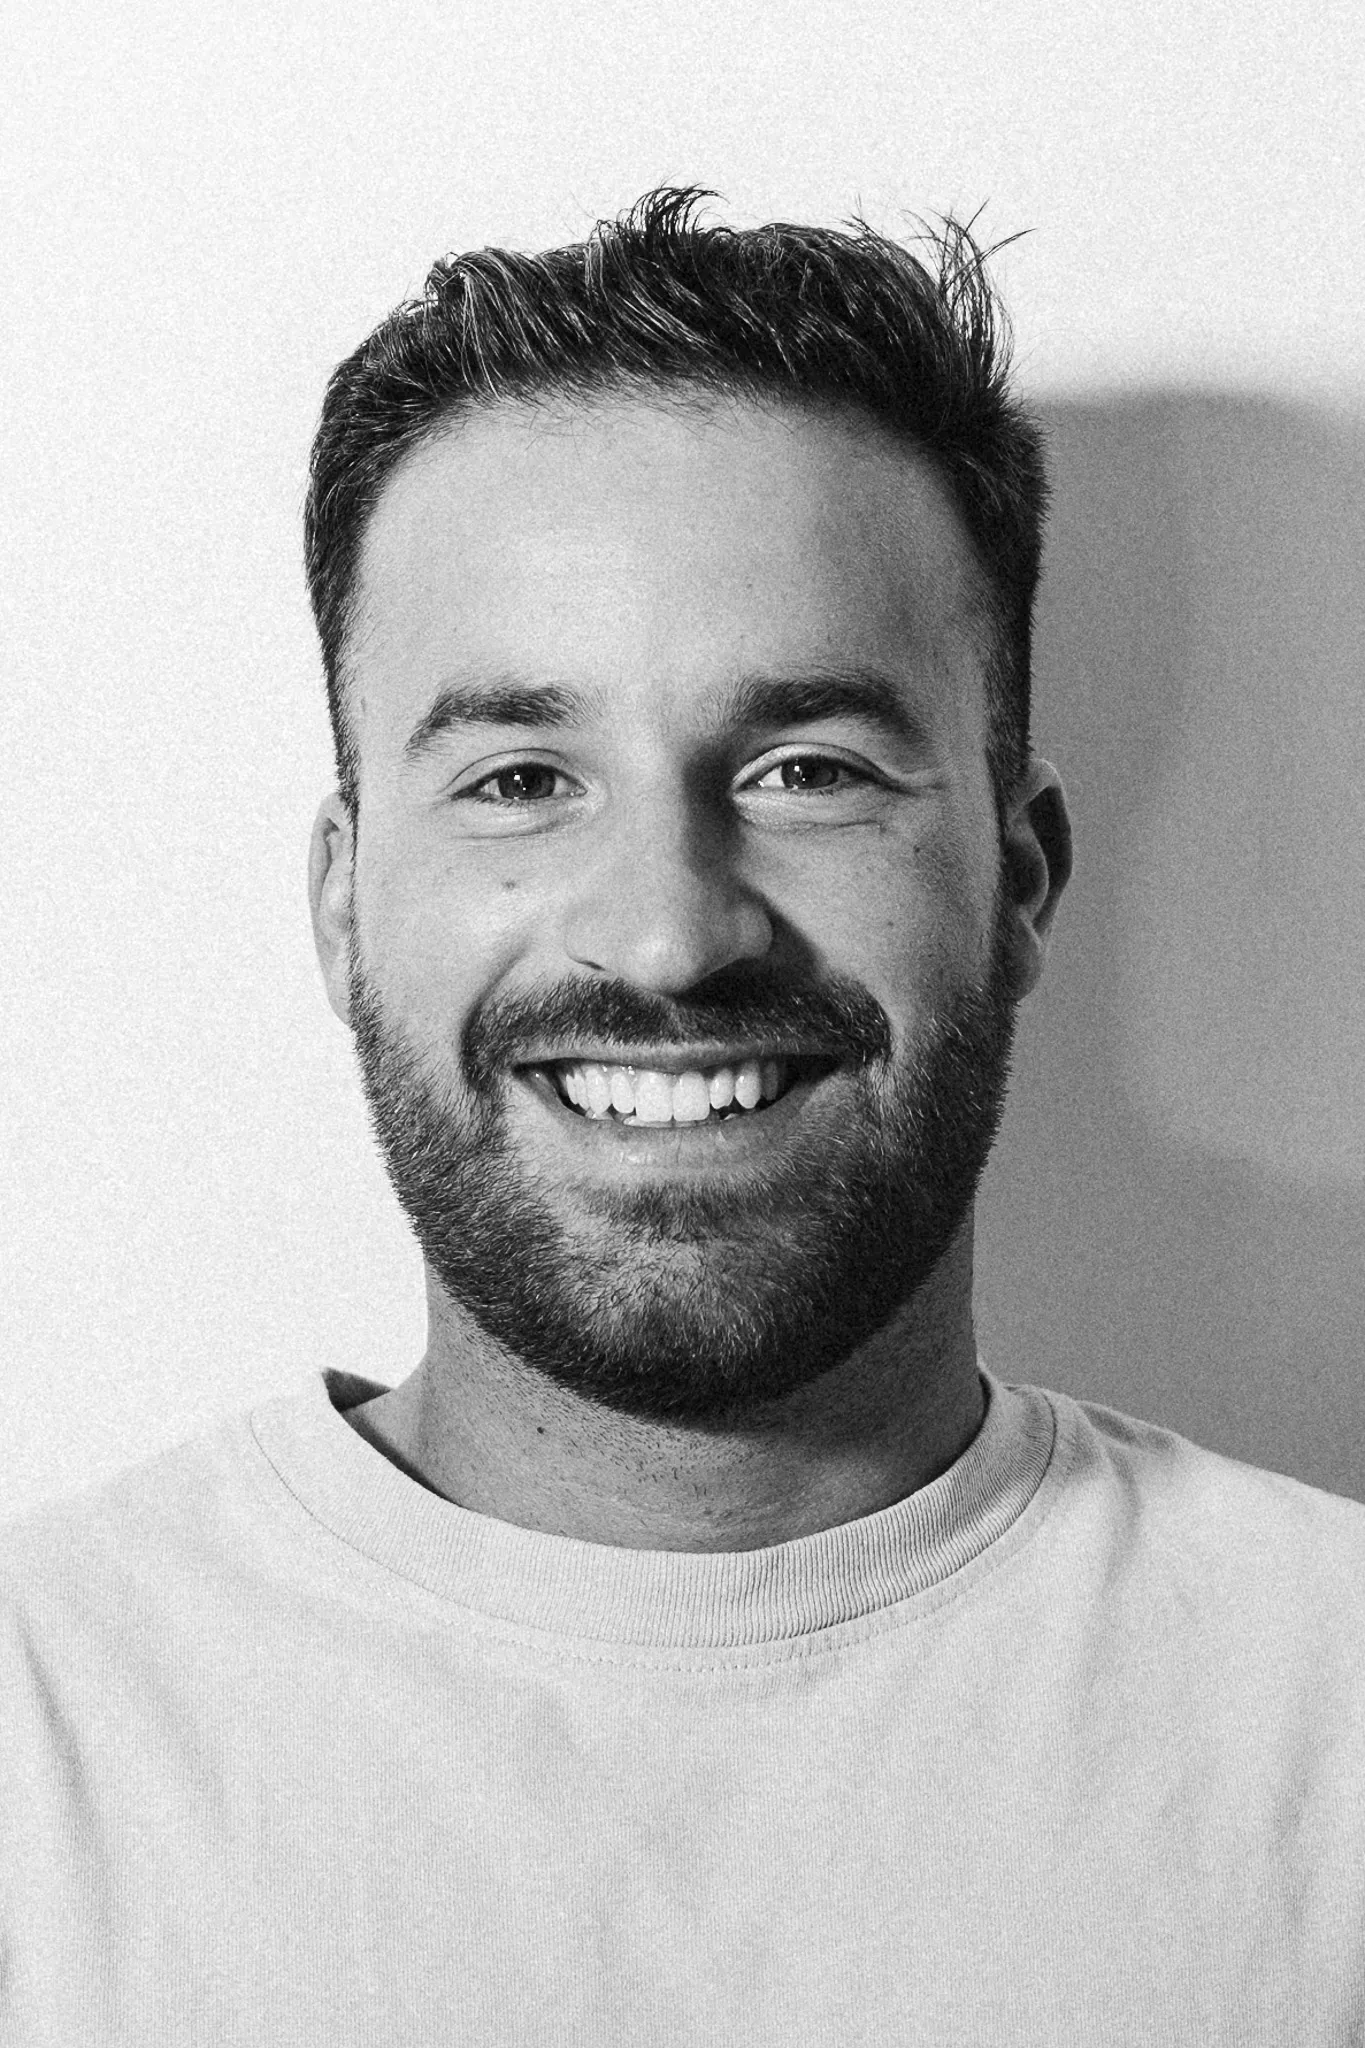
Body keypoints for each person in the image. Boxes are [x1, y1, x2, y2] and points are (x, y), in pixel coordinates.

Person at [3, 188, 1362, 2047]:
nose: (668, 930)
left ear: (1021, 878)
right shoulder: (42, 1733)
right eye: (519, 778)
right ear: (342, 908)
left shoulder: (1333, 1714)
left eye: (808, 769)